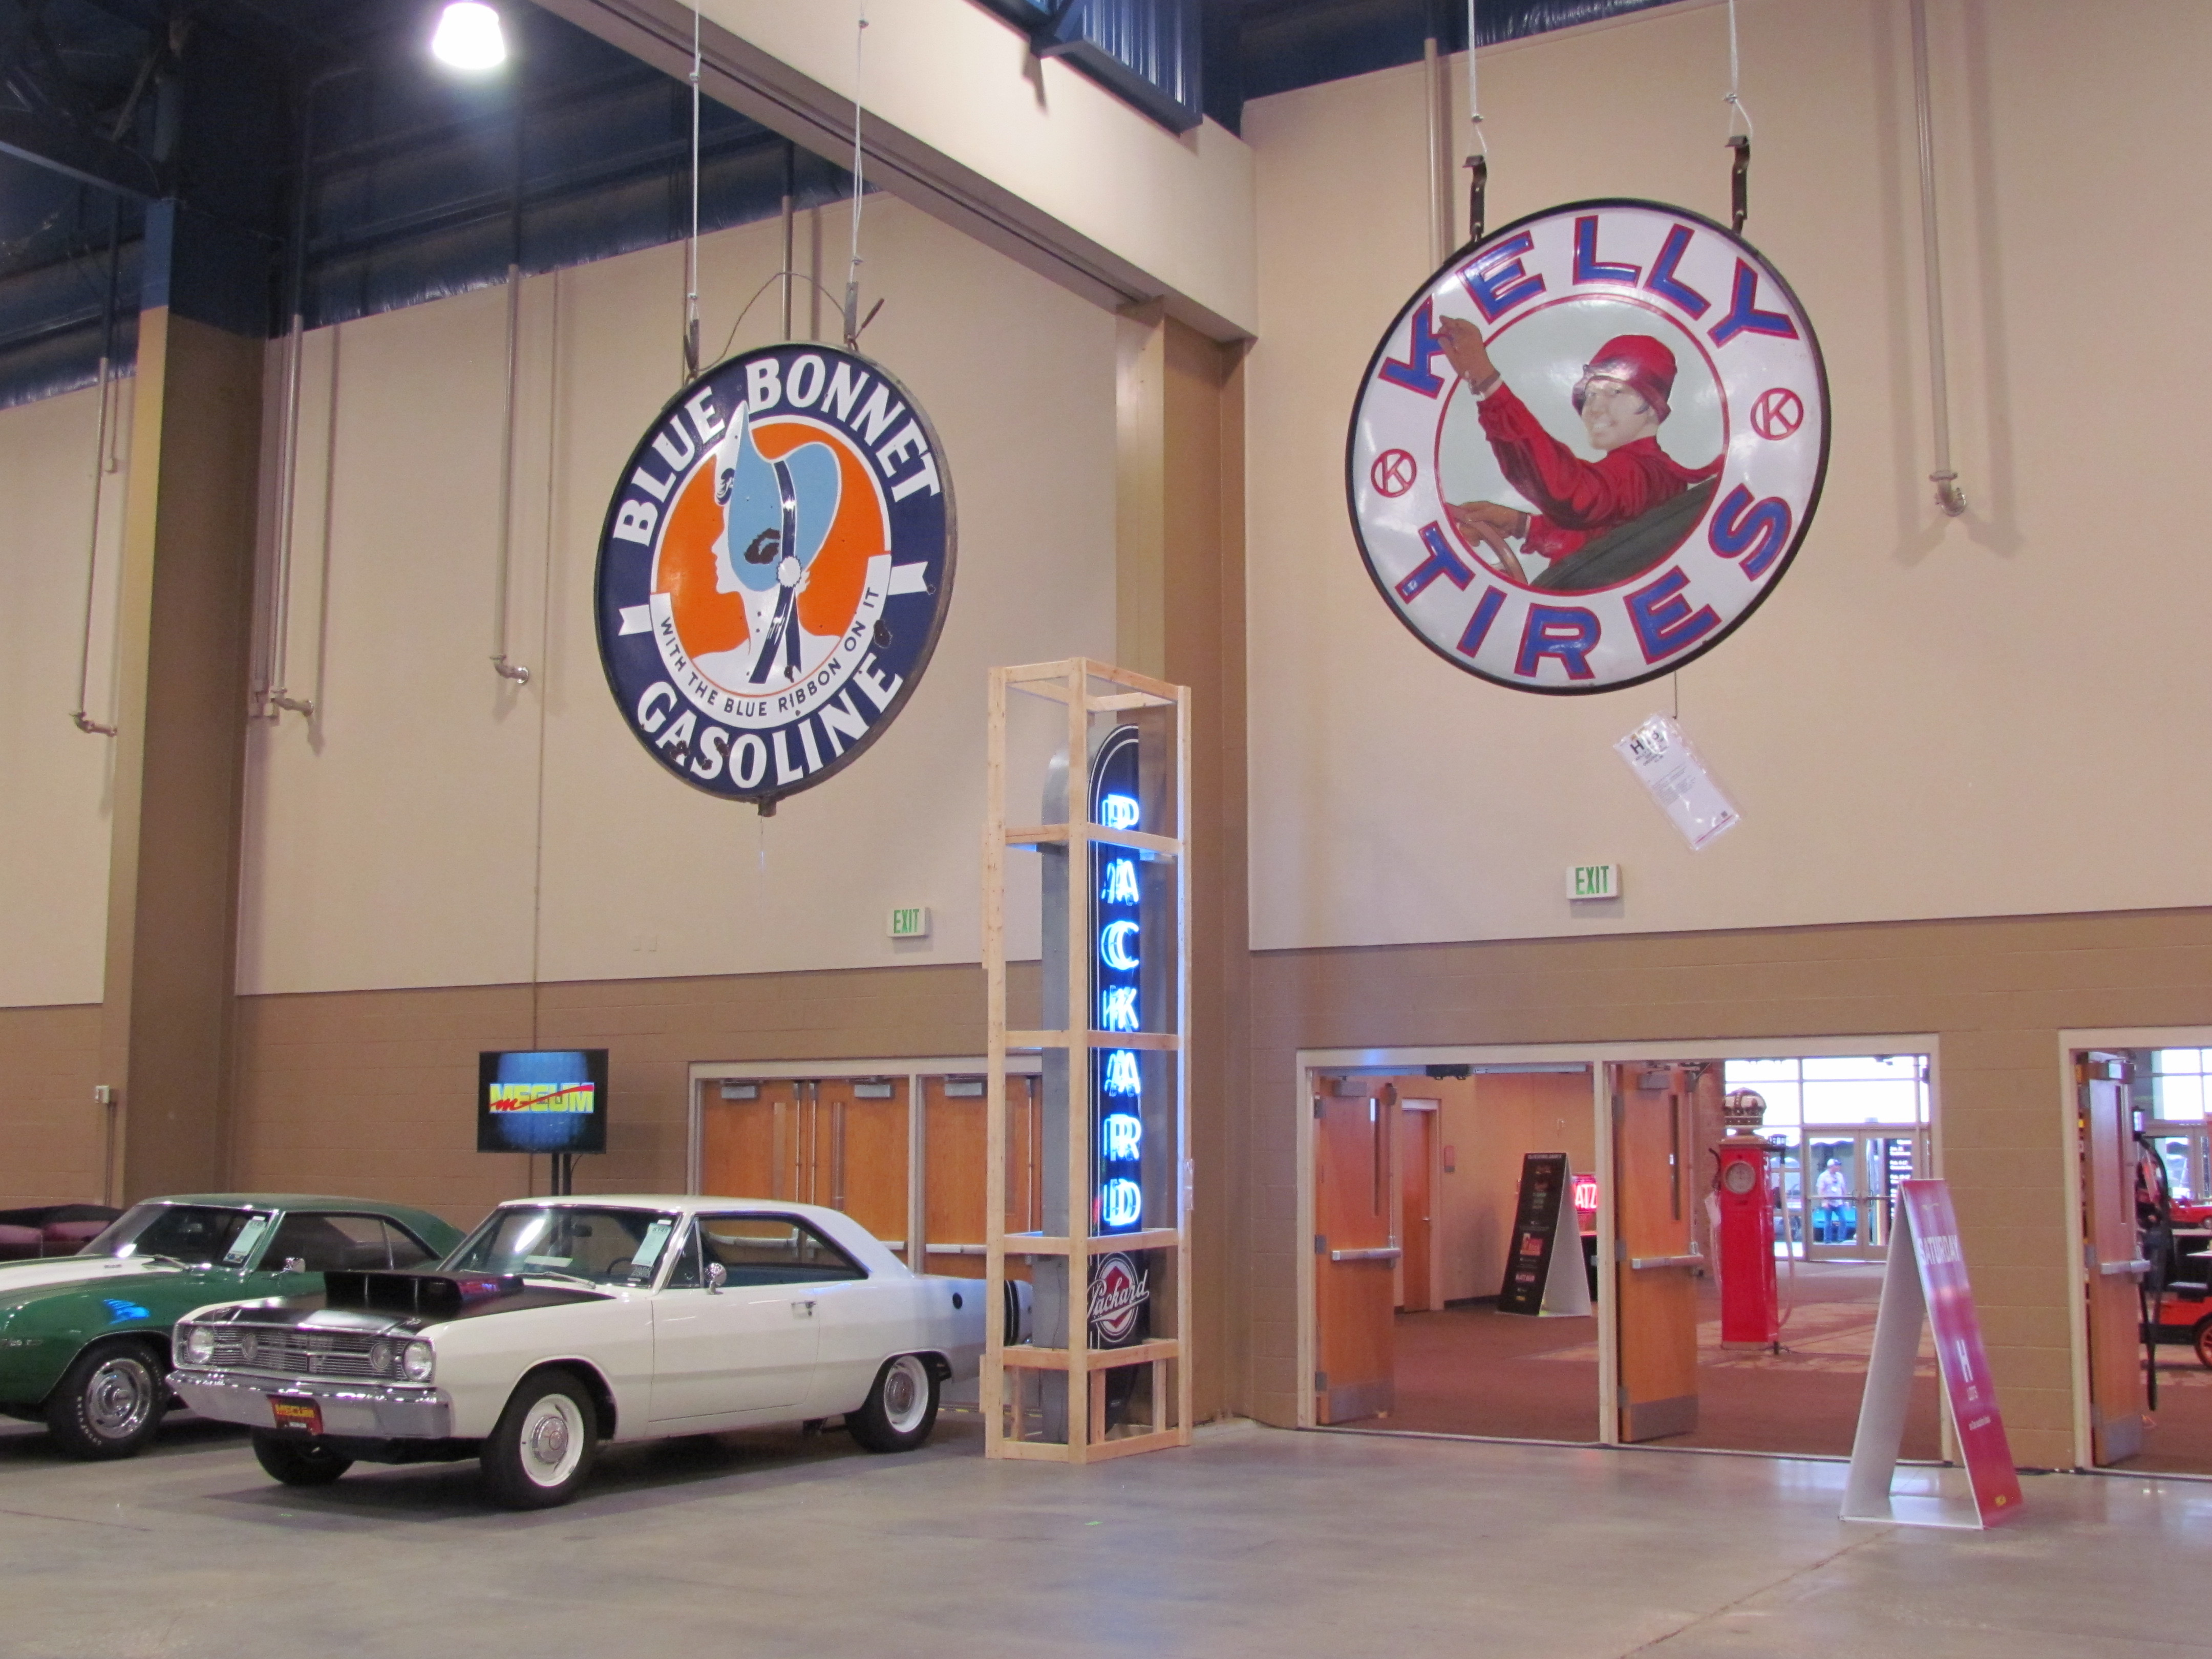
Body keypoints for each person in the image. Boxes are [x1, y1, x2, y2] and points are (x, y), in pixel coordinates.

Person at [1434, 315, 1719, 585]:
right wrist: (1522, 524)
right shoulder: (1654, 475)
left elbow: (1570, 493)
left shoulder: (1638, 474)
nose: (1594, 408)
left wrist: (1487, 381)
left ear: (1652, 406)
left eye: (1615, 392)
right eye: (1590, 394)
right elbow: (1598, 542)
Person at [1814, 1157, 1850, 1243]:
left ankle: (1841, 1239)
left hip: (1839, 1202)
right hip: (1829, 1202)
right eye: (1836, 1166)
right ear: (1831, 1167)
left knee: (1843, 1220)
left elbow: (1843, 1188)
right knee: (1828, 1222)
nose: (1838, 1167)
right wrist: (1824, 1202)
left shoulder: (1840, 1176)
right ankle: (1827, 1240)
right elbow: (1821, 1190)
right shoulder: (1823, 1176)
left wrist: (1846, 1201)